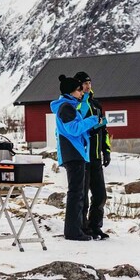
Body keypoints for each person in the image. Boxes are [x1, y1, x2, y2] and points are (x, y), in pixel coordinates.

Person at [51, 74, 100, 241]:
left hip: (77, 153)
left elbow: (75, 130)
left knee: (78, 193)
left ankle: (77, 228)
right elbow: (73, 129)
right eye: (79, 90)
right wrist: (92, 120)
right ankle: (73, 231)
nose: (82, 93)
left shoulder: (69, 106)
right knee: (76, 193)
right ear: (72, 92)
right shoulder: (66, 107)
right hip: (73, 154)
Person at [74, 71, 112, 240]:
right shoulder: (77, 105)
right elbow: (77, 129)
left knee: (100, 195)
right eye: (84, 83)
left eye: (89, 82)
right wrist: (94, 127)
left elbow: (104, 130)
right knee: (82, 195)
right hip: (83, 157)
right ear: (78, 85)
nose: (88, 86)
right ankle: (82, 227)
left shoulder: (96, 104)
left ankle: (95, 226)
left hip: (96, 156)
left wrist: (107, 151)